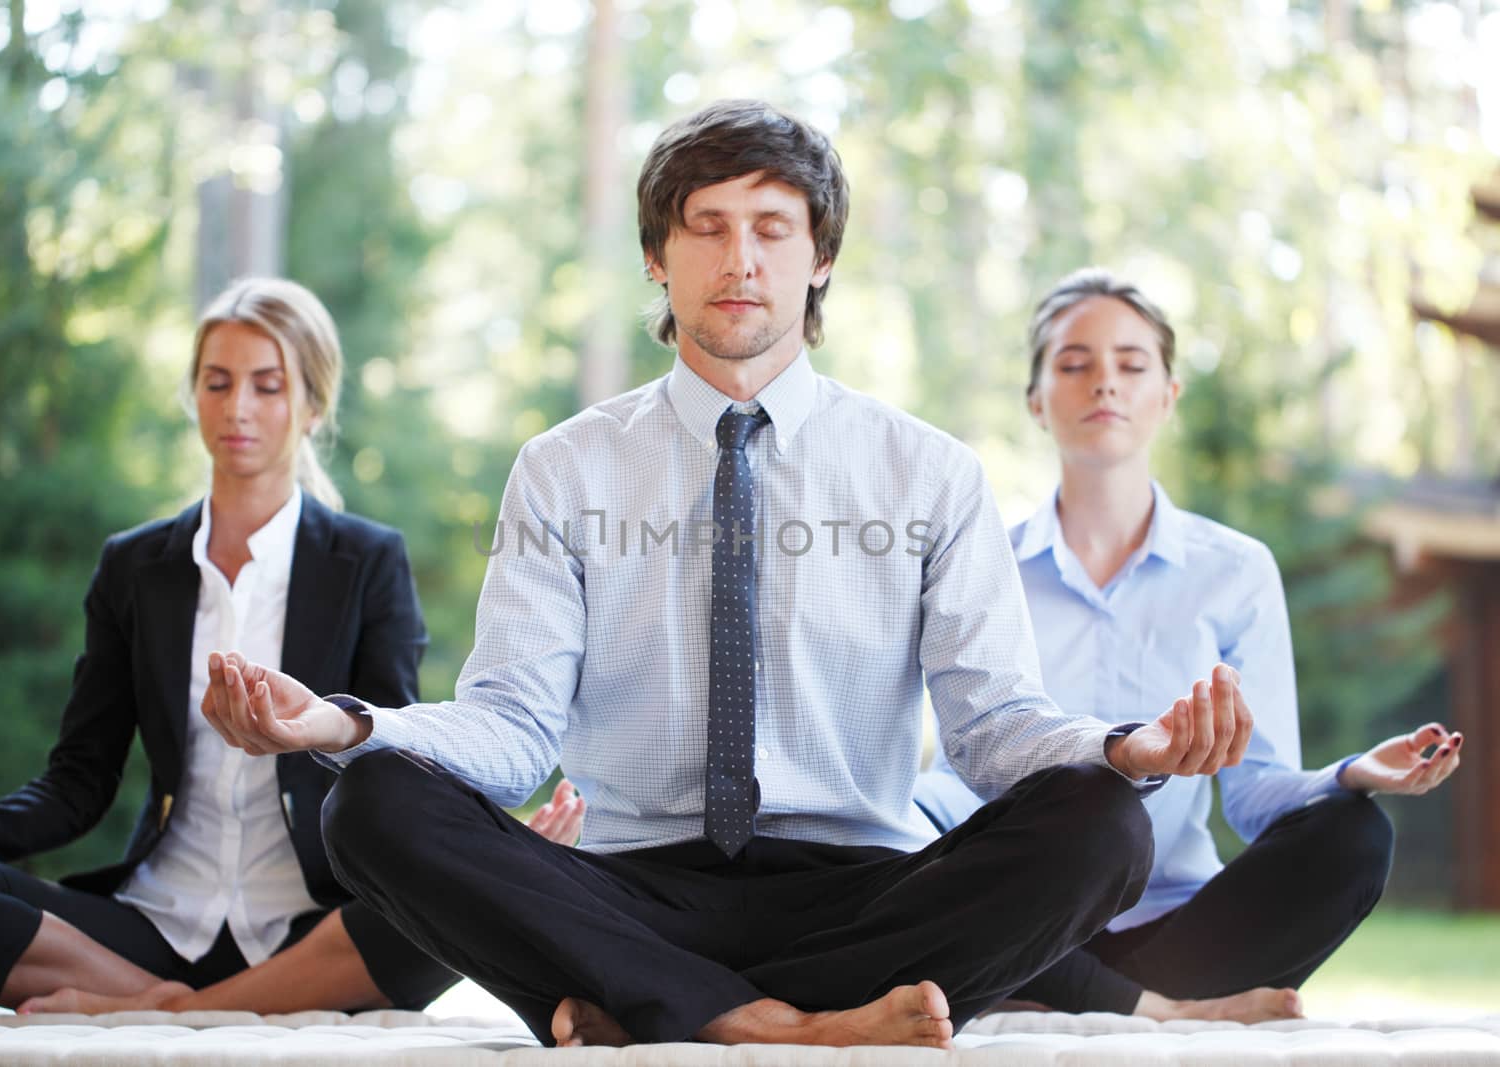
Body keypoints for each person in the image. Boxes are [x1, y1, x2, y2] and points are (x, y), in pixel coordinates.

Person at [197, 101, 1255, 1051]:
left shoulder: (929, 472)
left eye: (771, 228)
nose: (738, 259)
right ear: (658, 255)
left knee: (1107, 818)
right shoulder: (564, 469)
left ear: (820, 256)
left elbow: (991, 729)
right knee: (370, 805)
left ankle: (652, 1004)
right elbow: (512, 724)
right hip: (629, 885)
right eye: (705, 226)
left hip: (862, 891)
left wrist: (1129, 748)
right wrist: (337, 725)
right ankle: (785, 1022)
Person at [0, 277, 584, 1015]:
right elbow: (76, 783)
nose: (238, 409)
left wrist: (498, 847)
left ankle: (150, 1011)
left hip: (315, 925)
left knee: (450, 909)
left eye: (267, 385)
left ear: (312, 404)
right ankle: (189, 999)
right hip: (156, 920)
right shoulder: (135, 568)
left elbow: (395, 760)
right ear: (193, 394)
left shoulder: (368, 561)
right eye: (217, 383)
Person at [913, 268, 1462, 1023]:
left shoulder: (1235, 571)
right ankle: (1159, 1011)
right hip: (1021, 918)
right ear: (1036, 399)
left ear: (1167, 394)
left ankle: (1106, 999)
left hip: (1179, 930)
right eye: (1074, 363)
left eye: (1132, 364)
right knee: (953, 834)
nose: (1104, 381)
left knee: (1355, 835)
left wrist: (1351, 774)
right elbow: (957, 773)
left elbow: (1258, 793)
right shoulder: (983, 565)